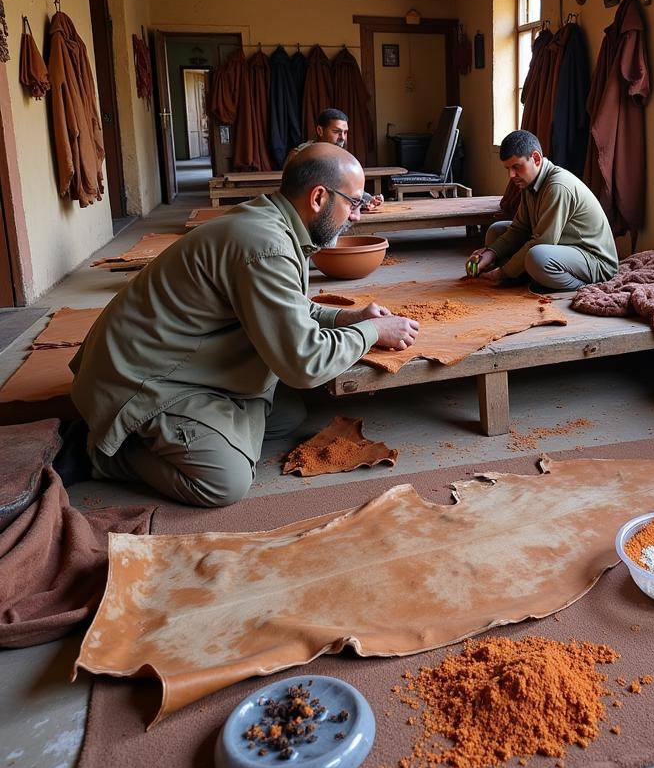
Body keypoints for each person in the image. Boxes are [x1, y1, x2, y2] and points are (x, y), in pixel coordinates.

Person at [70, 144, 419, 508]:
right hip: (143, 378)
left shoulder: (272, 220)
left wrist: (349, 318)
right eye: (354, 203)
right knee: (226, 481)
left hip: (181, 362)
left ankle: (216, 431)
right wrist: (373, 333)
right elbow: (304, 363)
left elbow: (290, 309)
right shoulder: (266, 245)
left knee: (288, 414)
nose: (357, 217)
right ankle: (101, 453)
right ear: (318, 197)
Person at [467, 129, 619, 292]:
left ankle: (580, 286)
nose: (511, 175)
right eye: (508, 169)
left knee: (537, 257)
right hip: (560, 247)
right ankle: (532, 274)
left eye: (516, 167)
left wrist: (503, 273)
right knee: (496, 231)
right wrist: (491, 252)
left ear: (536, 158)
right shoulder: (527, 182)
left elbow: (543, 241)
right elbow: (519, 229)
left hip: (594, 260)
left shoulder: (557, 186)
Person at [313, 107, 383, 210]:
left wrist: (367, 199)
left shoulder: (339, 155)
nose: (342, 138)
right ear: (320, 131)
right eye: (336, 131)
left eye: (345, 132)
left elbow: (346, 185)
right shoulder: (304, 156)